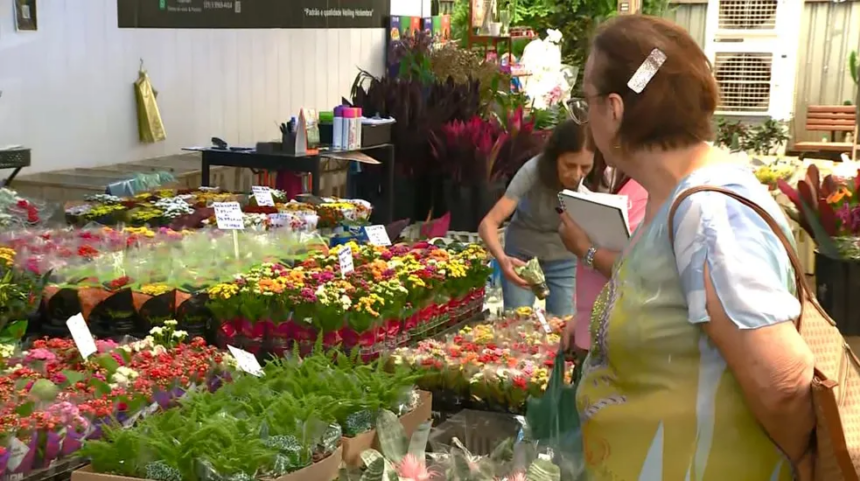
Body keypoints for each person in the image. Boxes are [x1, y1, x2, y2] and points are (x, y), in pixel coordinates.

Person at [557, 15, 814, 481]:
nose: (586, 118)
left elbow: (781, 381)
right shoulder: (670, 200)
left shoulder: (711, 214)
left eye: (585, 103)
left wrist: (803, 465)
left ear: (614, 109)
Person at [478, 119, 593, 316]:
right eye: (569, 165)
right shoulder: (533, 171)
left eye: (585, 167)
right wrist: (503, 259)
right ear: (554, 158)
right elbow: (488, 223)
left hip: (565, 259)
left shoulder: (600, 178)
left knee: (563, 326)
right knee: (517, 323)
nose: (576, 175)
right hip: (521, 256)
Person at [564, 150, 648, 351]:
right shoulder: (627, 182)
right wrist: (582, 318)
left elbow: (636, 270)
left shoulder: (646, 192)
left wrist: (585, 250)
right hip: (598, 327)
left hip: (620, 340)